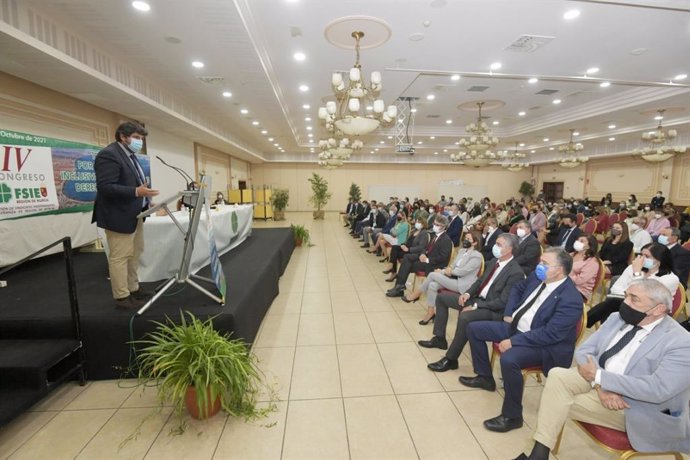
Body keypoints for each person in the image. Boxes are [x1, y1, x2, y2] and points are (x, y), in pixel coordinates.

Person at [513, 279, 690, 460]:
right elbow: (585, 351)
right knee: (557, 375)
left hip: (639, 407)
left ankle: (537, 454)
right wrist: (601, 385)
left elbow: (657, 389)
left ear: (658, 309)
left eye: (634, 299)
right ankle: (539, 454)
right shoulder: (617, 318)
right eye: (626, 295)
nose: (625, 302)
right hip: (603, 382)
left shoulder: (681, 342)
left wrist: (600, 377)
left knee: (556, 402)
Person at [460, 247, 583, 433]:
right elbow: (518, 288)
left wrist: (514, 341)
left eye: (544, 263)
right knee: (474, 328)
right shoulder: (539, 277)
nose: (539, 266)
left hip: (544, 344)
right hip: (516, 328)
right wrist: (509, 313)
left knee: (509, 359)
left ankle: (512, 416)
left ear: (559, 270)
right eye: (540, 261)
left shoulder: (570, 299)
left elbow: (550, 334)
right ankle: (485, 377)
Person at [418, 233, 524, 360]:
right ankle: (439, 338)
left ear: (509, 249)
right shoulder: (494, 262)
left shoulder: (515, 272)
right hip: (477, 300)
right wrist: (467, 294)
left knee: (465, 316)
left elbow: (502, 302)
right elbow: (479, 281)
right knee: (442, 298)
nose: (494, 247)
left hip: (492, 309)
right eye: (495, 243)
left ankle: (450, 359)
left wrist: (475, 306)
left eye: (498, 245)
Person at [92, 121, 160, 309]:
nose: (139, 142)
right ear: (123, 136)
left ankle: (133, 288)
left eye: (141, 139)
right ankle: (121, 297)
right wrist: (137, 193)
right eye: (136, 138)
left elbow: (134, 185)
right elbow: (106, 187)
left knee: (134, 253)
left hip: (134, 213)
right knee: (120, 256)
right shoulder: (109, 155)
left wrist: (145, 200)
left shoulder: (130, 156)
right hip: (117, 215)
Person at [587, 243, 678, 327]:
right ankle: (585, 324)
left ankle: (584, 323)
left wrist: (637, 274)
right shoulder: (633, 267)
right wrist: (630, 296)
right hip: (626, 303)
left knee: (612, 304)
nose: (641, 259)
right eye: (641, 255)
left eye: (647, 256)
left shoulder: (670, 279)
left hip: (650, 312)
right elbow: (616, 287)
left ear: (659, 260)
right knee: (613, 303)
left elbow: (643, 296)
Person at [404, 230, 484, 325]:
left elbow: (462, 272)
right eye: (465, 238)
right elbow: (453, 265)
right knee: (433, 285)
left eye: (468, 239)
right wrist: (445, 271)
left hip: (462, 284)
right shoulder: (462, 251)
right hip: (452, 278)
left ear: (475, 242)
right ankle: (430, 312)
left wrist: (443, 272)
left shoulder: (477, 256)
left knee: (432, 275)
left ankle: (416, 294)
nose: (465, 240)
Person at [385, 215, 452, 298]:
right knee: (407, 258)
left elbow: (443, 258)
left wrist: (427, 259)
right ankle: (399, 287)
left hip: (434, 264)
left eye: (437, 225)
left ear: (444, 227)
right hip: (426, 259)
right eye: (434, 224)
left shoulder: (446, 240)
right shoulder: (435, 236)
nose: (435, 226)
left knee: (408, 264)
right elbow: (426, 248)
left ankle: (399, 288)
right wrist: (423, 254)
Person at [569, 234, 600, 302]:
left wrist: (565, 275)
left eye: (582, 241)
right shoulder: (572, 254)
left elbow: (580, 281)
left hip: (580, 290)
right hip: (567, 284)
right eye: (577, 240)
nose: (577, 242)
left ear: (588, 246)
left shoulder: (592, 262)